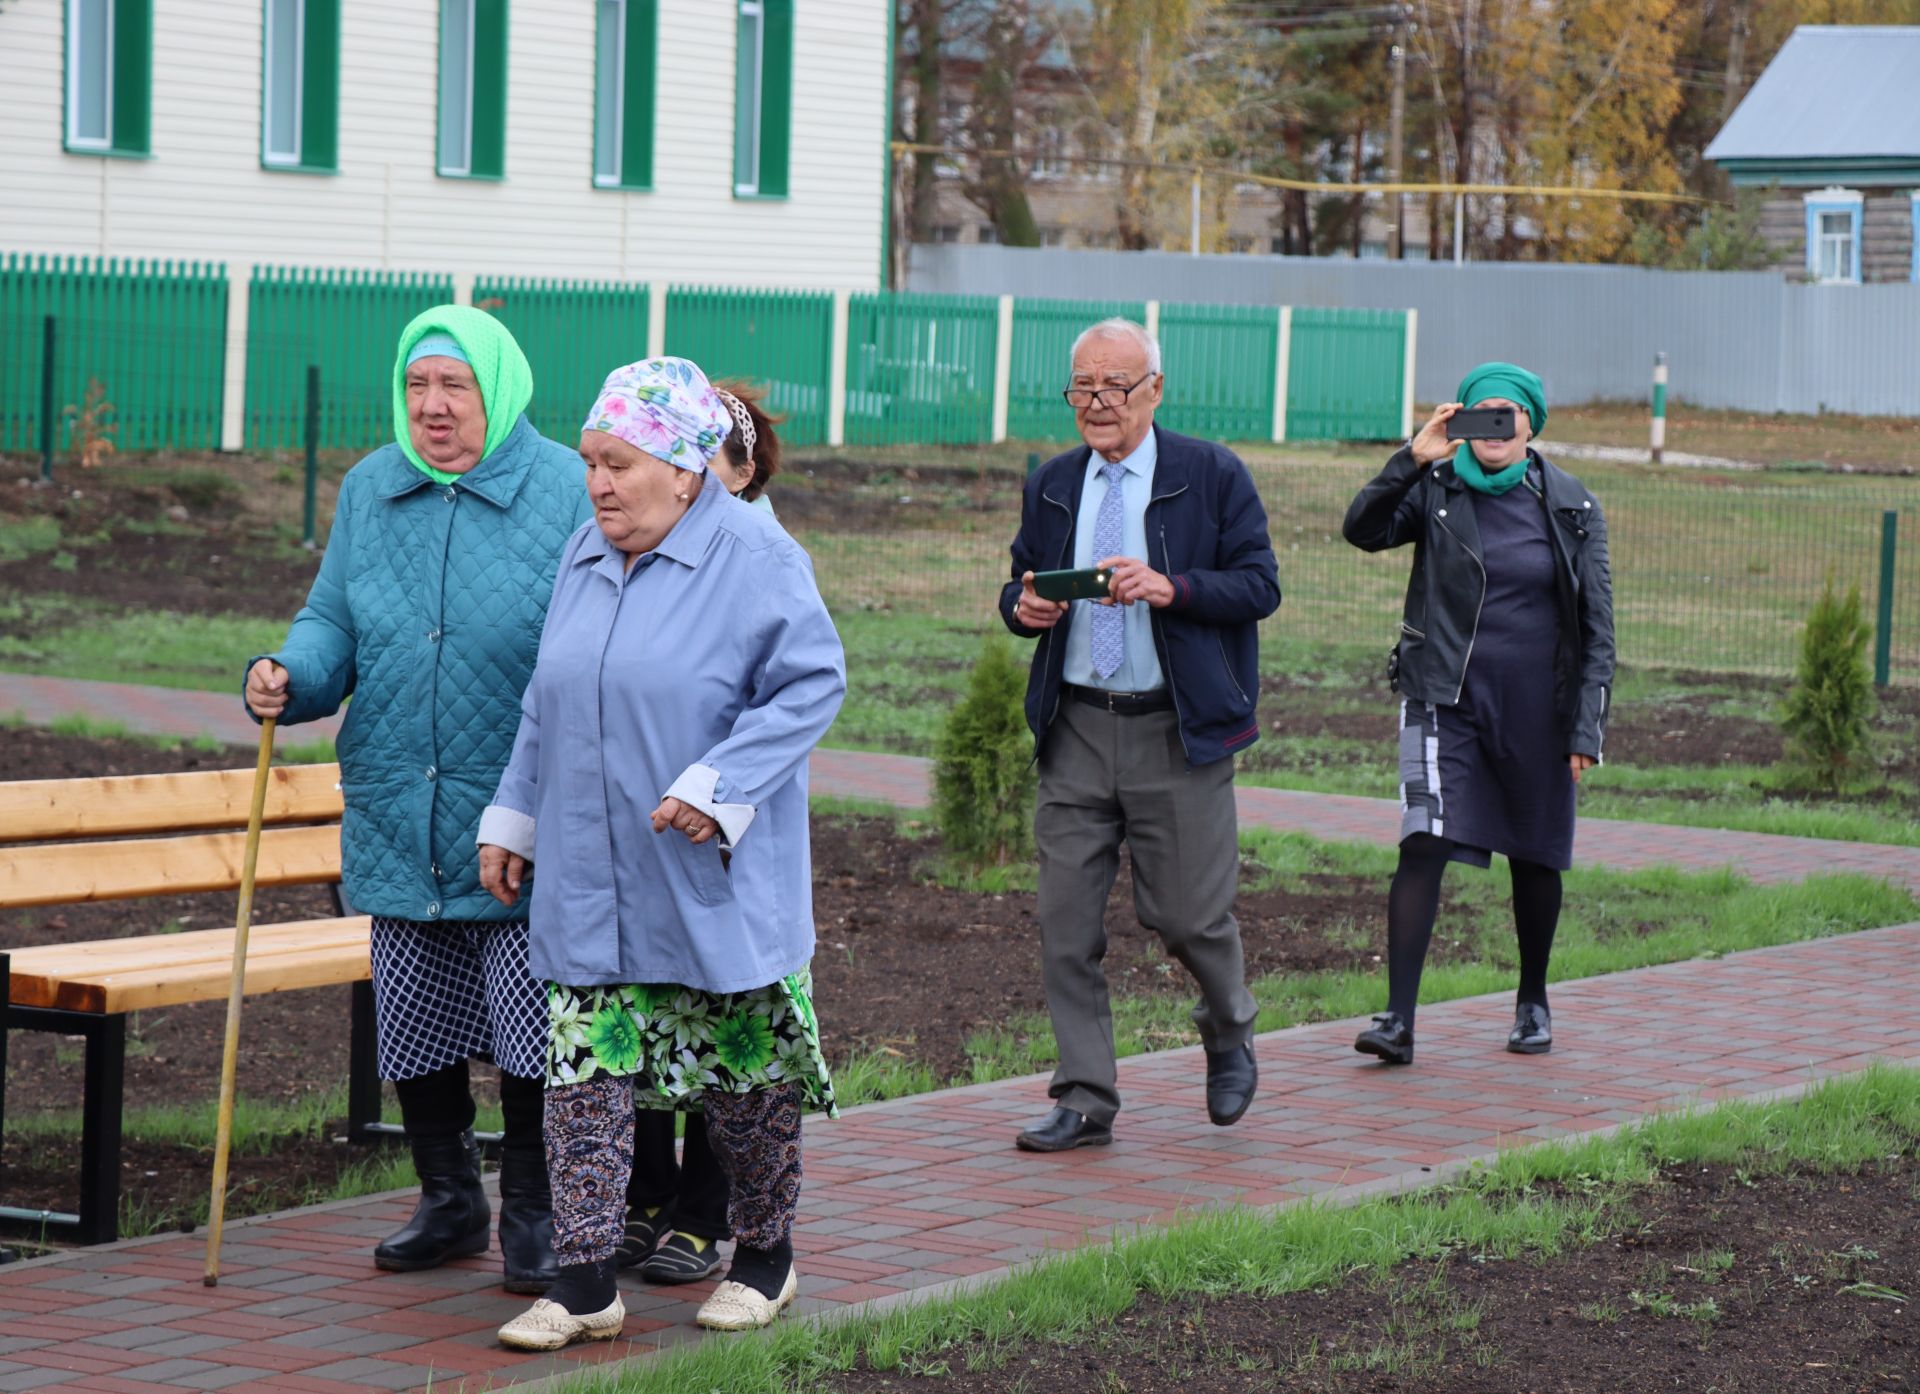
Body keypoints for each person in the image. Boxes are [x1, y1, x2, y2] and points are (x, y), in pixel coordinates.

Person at [478, 357, 846, 1350]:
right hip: (592, 882)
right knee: (582, 1081)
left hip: (709, 879)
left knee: (745, 1089)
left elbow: (811, 684)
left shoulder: (758, 558)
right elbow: (543, 700)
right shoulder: (583, 555)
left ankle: (764, 1257)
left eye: (620, 463)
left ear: (685, 468)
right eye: (592, 462)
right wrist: (513, 816)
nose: (598, 482)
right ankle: (586, 1279)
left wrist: (716, 786)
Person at [243, 305, 589, 1294]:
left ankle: (534, 1210)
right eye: (417, 387)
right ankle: (449, 1198)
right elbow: (331, 618)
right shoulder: (371, 487)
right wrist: (288, 676)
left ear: (499, 389)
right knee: (417, 1013)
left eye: (455, 387)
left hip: (516, 802)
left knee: (530, 1020)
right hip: (400, 795)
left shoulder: (564, 486)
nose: (433, 407)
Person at [997, 317, 1280, 1153]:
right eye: (1082, 387)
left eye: (1114, 387)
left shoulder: (1211, 475)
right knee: (1065, 924)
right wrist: (1023, 607)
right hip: (1078, 725)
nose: (1097, 403)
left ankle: (1229, 1027)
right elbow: (1017, 584)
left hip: (1177, 732)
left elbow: (1259, 585)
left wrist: (1173, 587)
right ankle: (1086, 1097)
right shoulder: (1052, 483)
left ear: (1155, 390)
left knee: (1189, 917)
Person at [1341, 362, 1615, 1065]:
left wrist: (1587, 725)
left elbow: (1598, 629)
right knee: (1423, 838)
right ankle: (1397, 1021)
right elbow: (1361, 530)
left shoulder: (1573, 506)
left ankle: (1532, 1001)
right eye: (1479, 412)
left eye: (1507, 413)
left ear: (1531, 424)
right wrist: (1411, 457)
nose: (1494, 426)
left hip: (1538, 710)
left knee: (1535, 854)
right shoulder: (1435, 488)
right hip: (1444, 697)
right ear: (1457, 420)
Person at [617, 380, 783, 1288]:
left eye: (711, 464)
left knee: (721, 1031)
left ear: (740, 473)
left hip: (721, 833)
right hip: (637, 837)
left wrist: (721, 796)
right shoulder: (629, 554)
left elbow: (784, 699)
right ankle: (645, 1195)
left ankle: (705, 1211)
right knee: (639, 1024)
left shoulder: (762, 559)